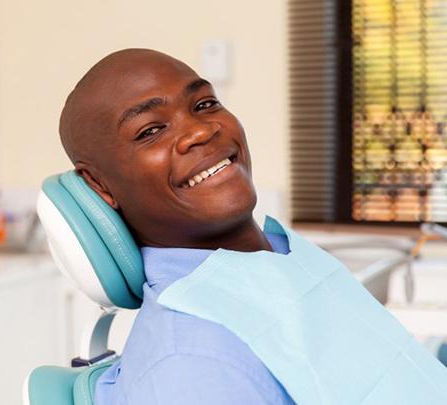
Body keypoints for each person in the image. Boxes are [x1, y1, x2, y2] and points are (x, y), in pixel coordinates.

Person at [59, 48, 295, 404]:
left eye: (204, 105)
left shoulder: (284, 258)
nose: (200, 131)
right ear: (99, 185)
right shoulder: (192, 365)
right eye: (150, 131)